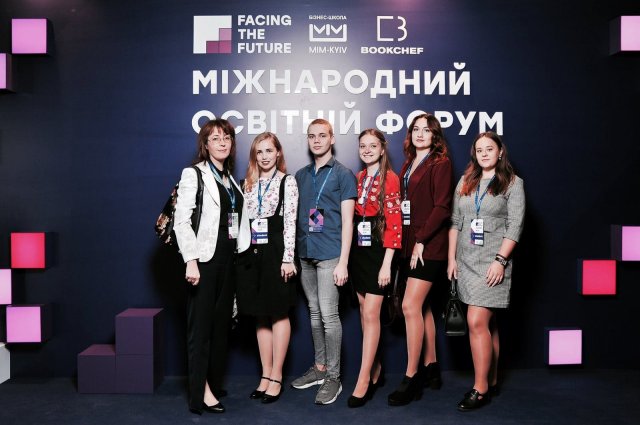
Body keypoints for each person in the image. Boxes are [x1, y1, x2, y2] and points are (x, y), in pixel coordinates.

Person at [173, 118, 250, 415]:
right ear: (205, 145)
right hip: (204, 261)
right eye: (215, 138)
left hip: (229, 261)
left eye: (226, 138)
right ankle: (200, 393)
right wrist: (191, 261)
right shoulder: (194, 174)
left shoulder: (231, 180)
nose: (222, 142)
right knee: (201, 329)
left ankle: (211, 383)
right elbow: (182, 221)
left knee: (220, 328)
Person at [447, 131, 525, 411]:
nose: (484, 154)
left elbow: (515, 225)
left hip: (493, 263)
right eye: (479, 150)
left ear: (500, 151)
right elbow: (455, 222)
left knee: (476, 321)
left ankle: (479, 389)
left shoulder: (513, 183)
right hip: (466, 262)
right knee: (487, 325)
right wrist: (451, 259)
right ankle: (491, 380)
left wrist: (500, 261)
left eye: (489, 149)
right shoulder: (465, 181)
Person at [388, 113, 453, 406]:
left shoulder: (440, 163)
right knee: (423, 307)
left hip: (428, 245)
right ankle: (431, 367)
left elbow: (442, 207)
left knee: (409, 306)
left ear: (435, 135)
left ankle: (411, 377)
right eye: (415, 129)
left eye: (426, 130)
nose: (420, 134)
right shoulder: (407, 164)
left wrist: (421, 241)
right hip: (408, 244)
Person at [291, 118, 357, 405]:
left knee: (329, 317)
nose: (316, 140)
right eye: (312, 136)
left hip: (331, 254)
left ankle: (333, 377)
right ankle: (319, 368)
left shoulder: (343, 174)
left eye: (322, 135)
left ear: (332, 139)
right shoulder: (300, 175)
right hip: (305, 254)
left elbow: (348, 222)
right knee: (314, 312)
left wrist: (344, 262)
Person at [236, 132, 299, 404]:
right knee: (259, 314)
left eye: (269, 151)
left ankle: (277, 375)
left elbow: (290, 223)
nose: (264, 156)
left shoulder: (287, 182)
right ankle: (265, 374)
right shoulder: (247, 184)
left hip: (276, 251)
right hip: (252, 252)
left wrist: (288, 258)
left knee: (278, 312)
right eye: (259, 151)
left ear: (278, 153)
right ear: (254, 155)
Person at [347, 129, 402, 408]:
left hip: (380, 251)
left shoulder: (390, 178)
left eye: (372, 146)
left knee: (371, 313)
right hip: (359, 250)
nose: (367, 150)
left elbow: (395, 223)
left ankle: (363, 379)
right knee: (363, 311)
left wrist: (387, 264)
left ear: (382, 149)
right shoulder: (358, 177)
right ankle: (376, 366)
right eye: (363, 146)